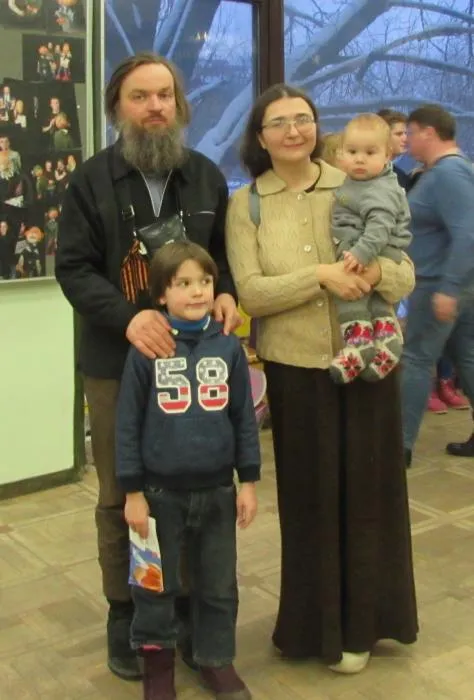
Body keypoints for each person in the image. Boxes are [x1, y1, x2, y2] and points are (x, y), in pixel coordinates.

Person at [55, 52, 240, 681]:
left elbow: (221, 260)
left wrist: (226, 292)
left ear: (179, 105)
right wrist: (129, 319)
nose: (155, 106)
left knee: (190, 491)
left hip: (194, 364)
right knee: (122, 495)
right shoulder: (90, 181)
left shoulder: (207, 177)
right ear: (117, 108)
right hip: (116, 363)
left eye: (165, 95)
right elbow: (73, 268)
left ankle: (184, 611)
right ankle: (125, 611)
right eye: (140, 96)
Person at [226, 83, 418, 675]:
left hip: (369, 363)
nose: (293, 130)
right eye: (278, 122)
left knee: (370, 497)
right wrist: (321, 276)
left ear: (316, 127)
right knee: (310, 502)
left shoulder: (358, 179)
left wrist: (376, 272)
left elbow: (406, 273)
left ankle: (367, 627)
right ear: (260, 137)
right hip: (296, 371)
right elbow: (252, 292)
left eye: (303, 119)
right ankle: (314, 628)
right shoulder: (247, 205)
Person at [116, 240, 259, 700]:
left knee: (218, 585)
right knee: (153, 586)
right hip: (158, 496)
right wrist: (133, 493)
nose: (197, 292)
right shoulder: (145, 352)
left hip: (218, 492)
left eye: (205, 281)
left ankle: (216, 661)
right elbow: (127, 425)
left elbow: (243, 417)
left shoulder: (229, 347)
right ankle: (158, 671)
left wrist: (248, 482)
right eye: (183, 283)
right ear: (161, 293)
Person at [401, 104, 474, 468]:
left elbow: (468, 232)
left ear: (428, 132)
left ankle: (398, 448)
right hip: (454, 284)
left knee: (415, 360)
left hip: (439, 285)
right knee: (468, 358)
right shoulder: (443, 172)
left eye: (410, 133)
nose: (406, 140)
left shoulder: (449, 174)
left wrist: (448, 287)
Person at [329, 113, 411, 384]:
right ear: (340, 154)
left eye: (369, 152)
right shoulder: (360, 182)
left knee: (349, 293)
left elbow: (380, 226)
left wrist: (360, 253)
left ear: (388, 155)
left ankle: (359, 344)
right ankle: (387, 340)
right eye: (352, 152)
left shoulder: (379, 189)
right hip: (372, 250)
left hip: (372, 251)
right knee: (376, 302)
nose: (360, 159)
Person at [377, 109, 410, 189]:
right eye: (399, 134)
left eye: (406, 133)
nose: (406, 139)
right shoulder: (368, 172)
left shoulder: (401, 176)